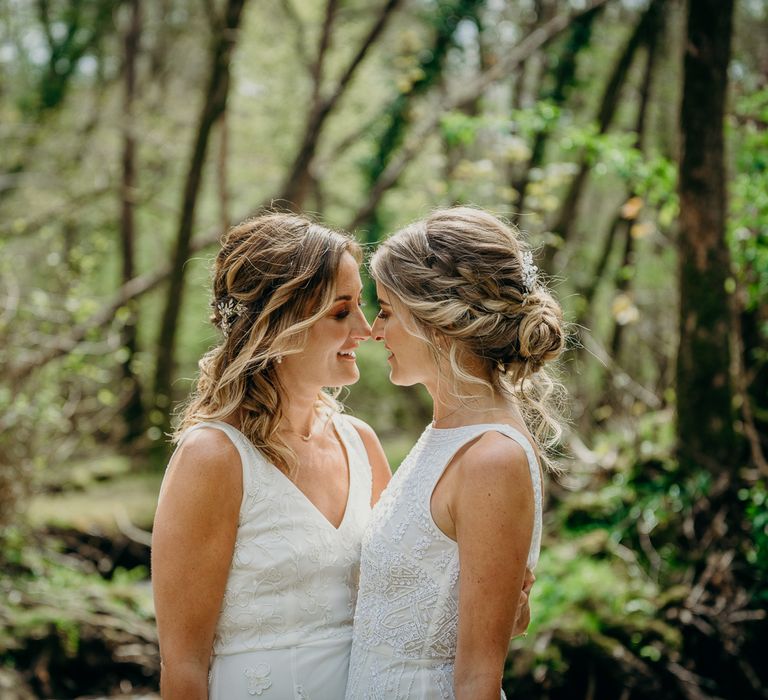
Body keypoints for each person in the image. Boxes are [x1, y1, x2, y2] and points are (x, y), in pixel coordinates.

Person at [151, 212, 391, 699]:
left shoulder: (362, 444)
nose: (365, 330)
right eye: (341, 312)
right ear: (278, 324)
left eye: (361, 308)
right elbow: (183, 664)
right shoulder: (215, 457)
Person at [345, 206, 564, 700]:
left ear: (436, 320)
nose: (375, 332)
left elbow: (477, 680)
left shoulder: (493, 458)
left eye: (386, 311)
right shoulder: (444, 435)